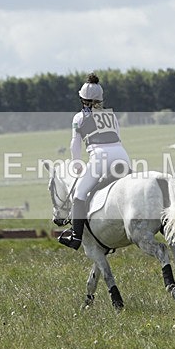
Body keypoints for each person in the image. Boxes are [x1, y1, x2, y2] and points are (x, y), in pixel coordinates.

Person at [58, 72, 131, 249]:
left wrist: (76, 163)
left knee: (79, 195)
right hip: (122, 156)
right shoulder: (111, 115)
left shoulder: (79, 118)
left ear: (83, 99)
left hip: (100, 158)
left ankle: (76, 237)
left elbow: (75, 144)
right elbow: (118, 137)